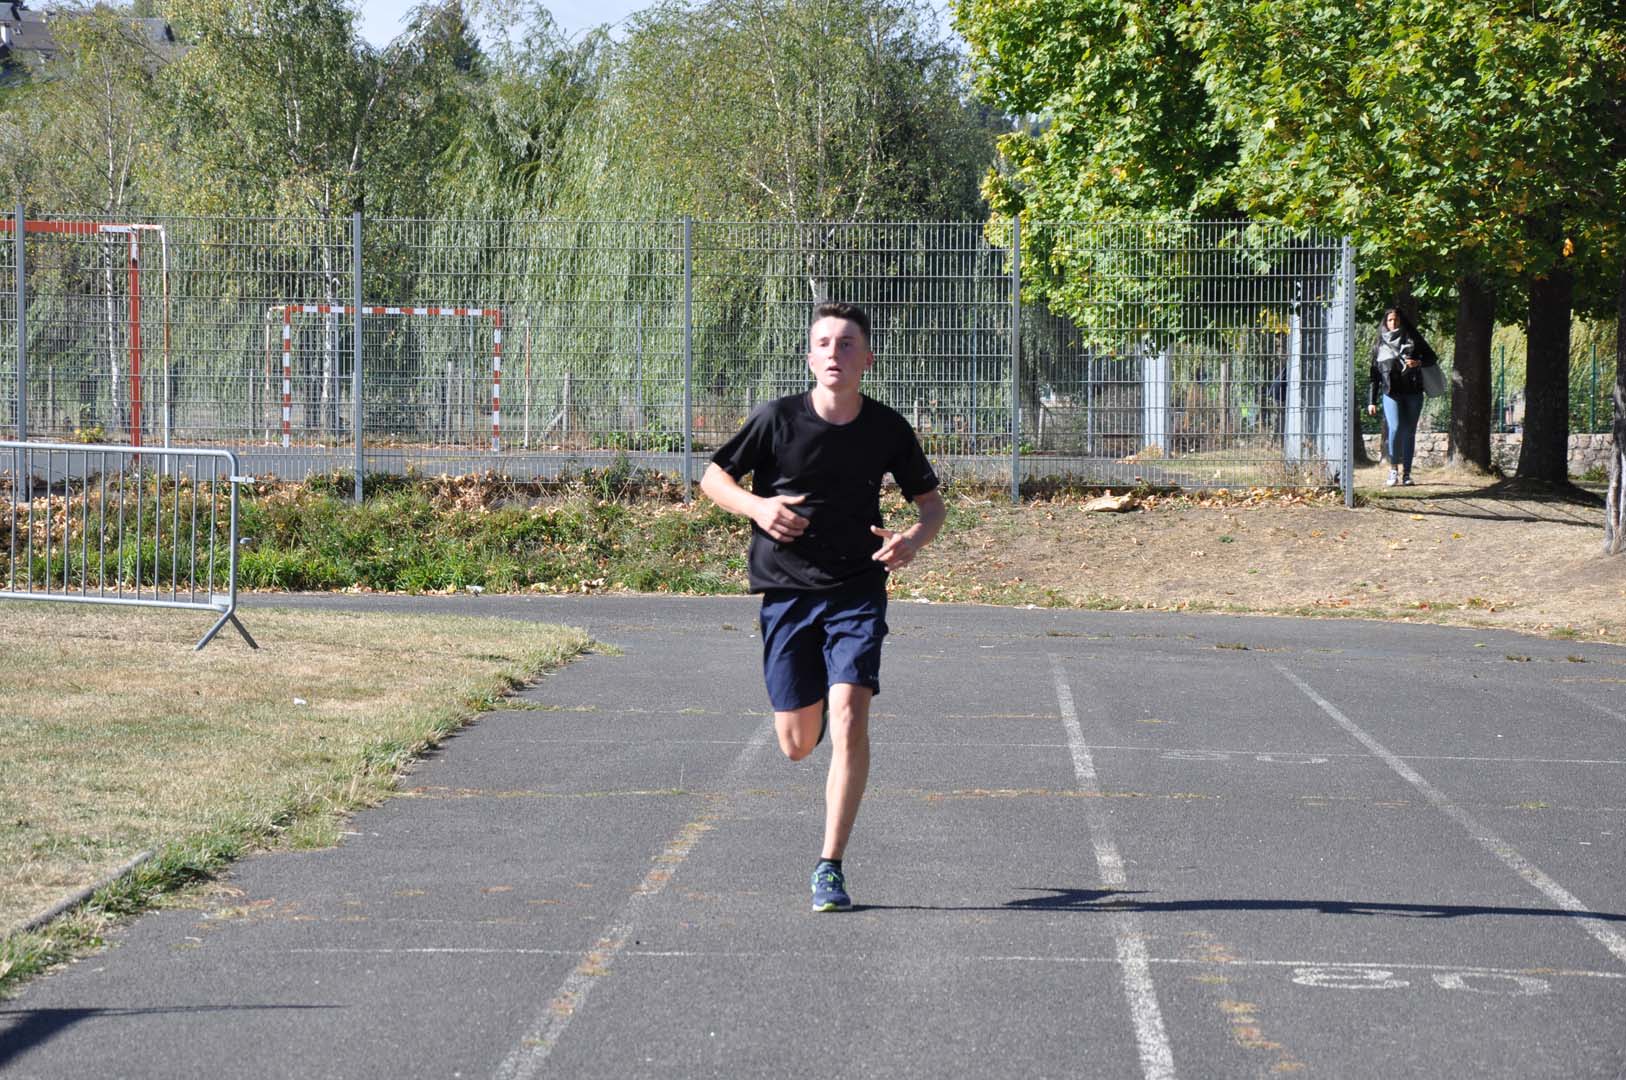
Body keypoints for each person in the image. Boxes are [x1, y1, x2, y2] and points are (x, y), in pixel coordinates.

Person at [700, 301, 946, 912]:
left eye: (846, 343)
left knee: (850, 715)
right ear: (810, 357)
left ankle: (829, 865)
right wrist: (758, 507)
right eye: (824, 343)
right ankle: (815, 714)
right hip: (786, 594)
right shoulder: (776, 419)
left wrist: (912, 540)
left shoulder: (887, 429)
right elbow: (713, 478)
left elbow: (931, 506)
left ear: (868, 358)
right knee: (796, 744)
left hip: (856, 589)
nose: (834, 353)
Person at [1367, 307, 1439, 486]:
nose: (1393, 323)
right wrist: (1371, 401)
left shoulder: (1413, 339)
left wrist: (1418, 362)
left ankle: (1407, 473)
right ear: (1385, 323)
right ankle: (1393, 470)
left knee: (1409, 432)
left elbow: (1432, 357)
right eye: (1390, 320)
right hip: (1391, 393)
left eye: (1396, 320)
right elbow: (1374, 376)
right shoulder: (1379, 345)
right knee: (1395, 427)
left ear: (1401, 321)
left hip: (1413, 392)